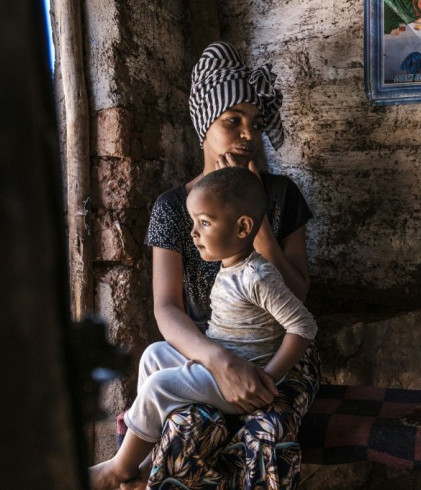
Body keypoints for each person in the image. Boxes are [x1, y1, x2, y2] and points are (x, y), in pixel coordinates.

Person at [106, 41, 320, 489]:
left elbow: (297, 297)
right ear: (205, 125)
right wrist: (219, 361)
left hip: (278, 355)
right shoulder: (172, 208)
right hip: (207, 350)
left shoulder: (282, 196)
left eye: (255, 123)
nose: (248, 134)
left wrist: (257, 223)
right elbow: (167, 310)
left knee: (270, 434)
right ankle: (129, 473)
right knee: (187, 429)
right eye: (232, 121)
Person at [89, 167, 318, 489]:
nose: (194, 233)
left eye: (205, 223)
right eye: (193, 223)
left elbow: (304, 326)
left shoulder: (257, 276)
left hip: (249, 372)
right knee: (154, 355)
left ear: (242, 227)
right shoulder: (230, 267)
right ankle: (147, 462)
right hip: (223, 354)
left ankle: (119, 467)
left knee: (160, 387)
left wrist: (270, 377)